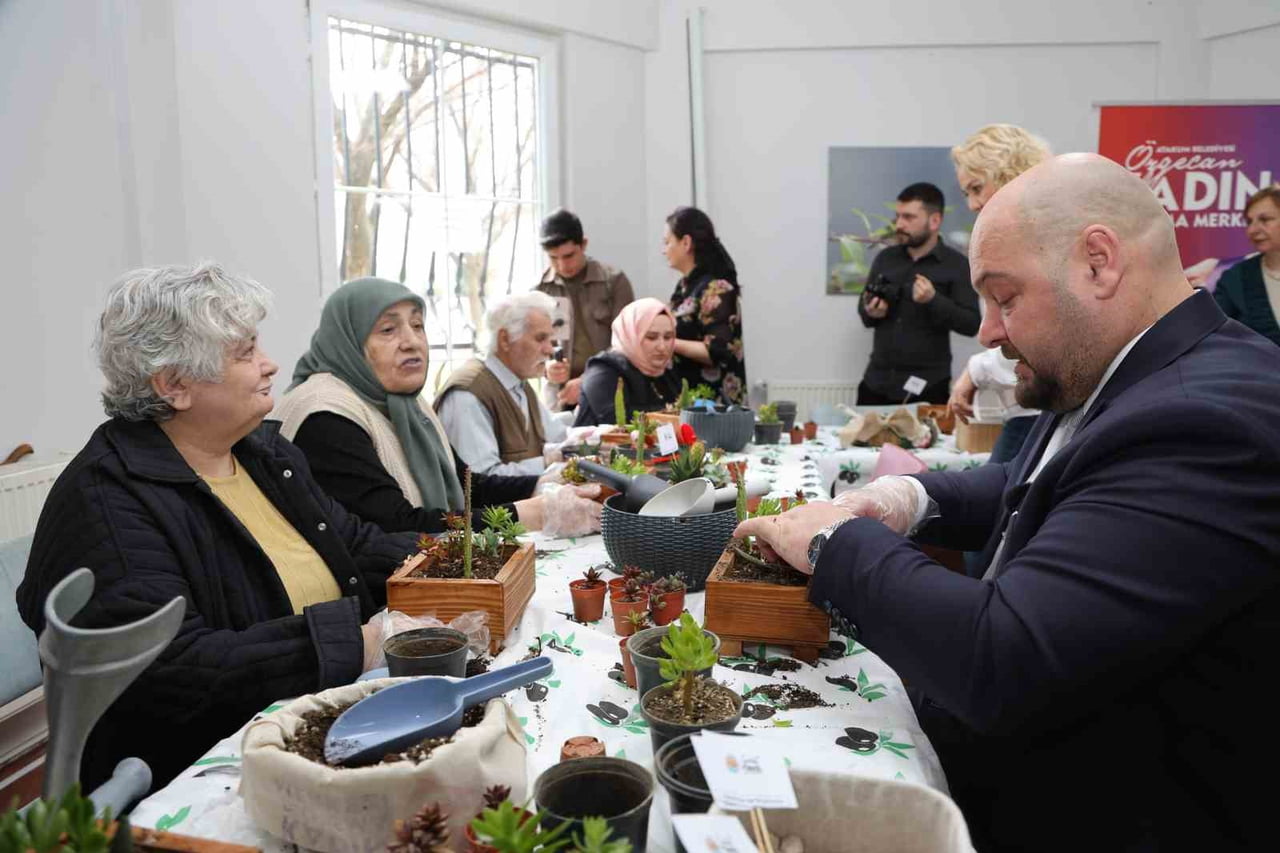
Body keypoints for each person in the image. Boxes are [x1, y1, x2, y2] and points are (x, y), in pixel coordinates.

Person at [737, 155, 1280, 851]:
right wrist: (914, 497)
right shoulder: (1129, 369)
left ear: (1098, 262)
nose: (988, 332)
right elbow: (1044, 485)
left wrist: (833, 543)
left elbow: (1005, 654)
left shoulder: (1206, 421)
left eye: (1005, 297)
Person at [16, 263, 422, 790]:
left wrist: (462, 558)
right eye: (245, 352)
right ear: (174, 385)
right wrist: (359, 641)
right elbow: (175, 669)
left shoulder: (262, 452)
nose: (270, 364)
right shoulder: (107, 502)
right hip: (196, 771)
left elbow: (355, 543)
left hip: (306, 723)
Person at [275, 279, 598, 535]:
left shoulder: (406, 403)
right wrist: (530, 513)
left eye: (417, 326)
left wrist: (539, 483)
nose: (411, 341)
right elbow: (396, 525)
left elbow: (468, 484)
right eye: (388, 329)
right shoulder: (325, 417)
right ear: (347, 342)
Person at [946, 124, 1052, 462]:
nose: (974, 204)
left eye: (977, 188)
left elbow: (1037, 340)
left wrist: (976, 371)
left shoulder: (1036, 241)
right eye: (966, 194)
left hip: (1039, 412)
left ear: (1010, 174)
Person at [857, 183, 979, 405]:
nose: (899, 224)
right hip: (876, 384)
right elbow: (864, 313)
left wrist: (934, 300)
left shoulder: (957, 265)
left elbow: (972, 324)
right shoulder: (885, 259)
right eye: (898, 216)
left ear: (934, 221)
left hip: (928, 387)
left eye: (908, 217)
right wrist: (871, 312)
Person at [435, 291, 569, 477]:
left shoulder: (518, 383)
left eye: (550, 339)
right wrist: (547, 461)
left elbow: (555, 433)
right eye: (540, 339)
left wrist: (596, 437)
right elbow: (480, 480)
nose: (549, 350)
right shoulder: (468, 396)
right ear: (505, 339)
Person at [535, 209, 635, 411]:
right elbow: (531, 349)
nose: (562, 265)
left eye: (569, 256)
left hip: (608, 389)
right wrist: (546, 368)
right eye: (553, 258)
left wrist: (588, 379)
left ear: (584, 244)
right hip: (559, 398)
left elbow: (627, 344)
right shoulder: (539, 291)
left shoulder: (614, 282)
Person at [663, 207, 747, 405]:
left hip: (713, 407)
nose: (663, 250)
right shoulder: (684, 287)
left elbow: (716, 350)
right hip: (687, 399)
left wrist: (666, 343)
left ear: (686, 243)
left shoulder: (717, 289)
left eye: (667, 242)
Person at [572, 297, 682, 427]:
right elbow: (615, 420)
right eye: (651, 338)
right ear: (631, 335)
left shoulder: (664, 372)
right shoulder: (603, 369)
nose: (662, 347)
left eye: (668, 337)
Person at [1212, 185, 1280, 346]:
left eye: (1265, 219)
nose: (1253, 229)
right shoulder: (1235, 278)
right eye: (1249, 222)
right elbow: (1215, 334)